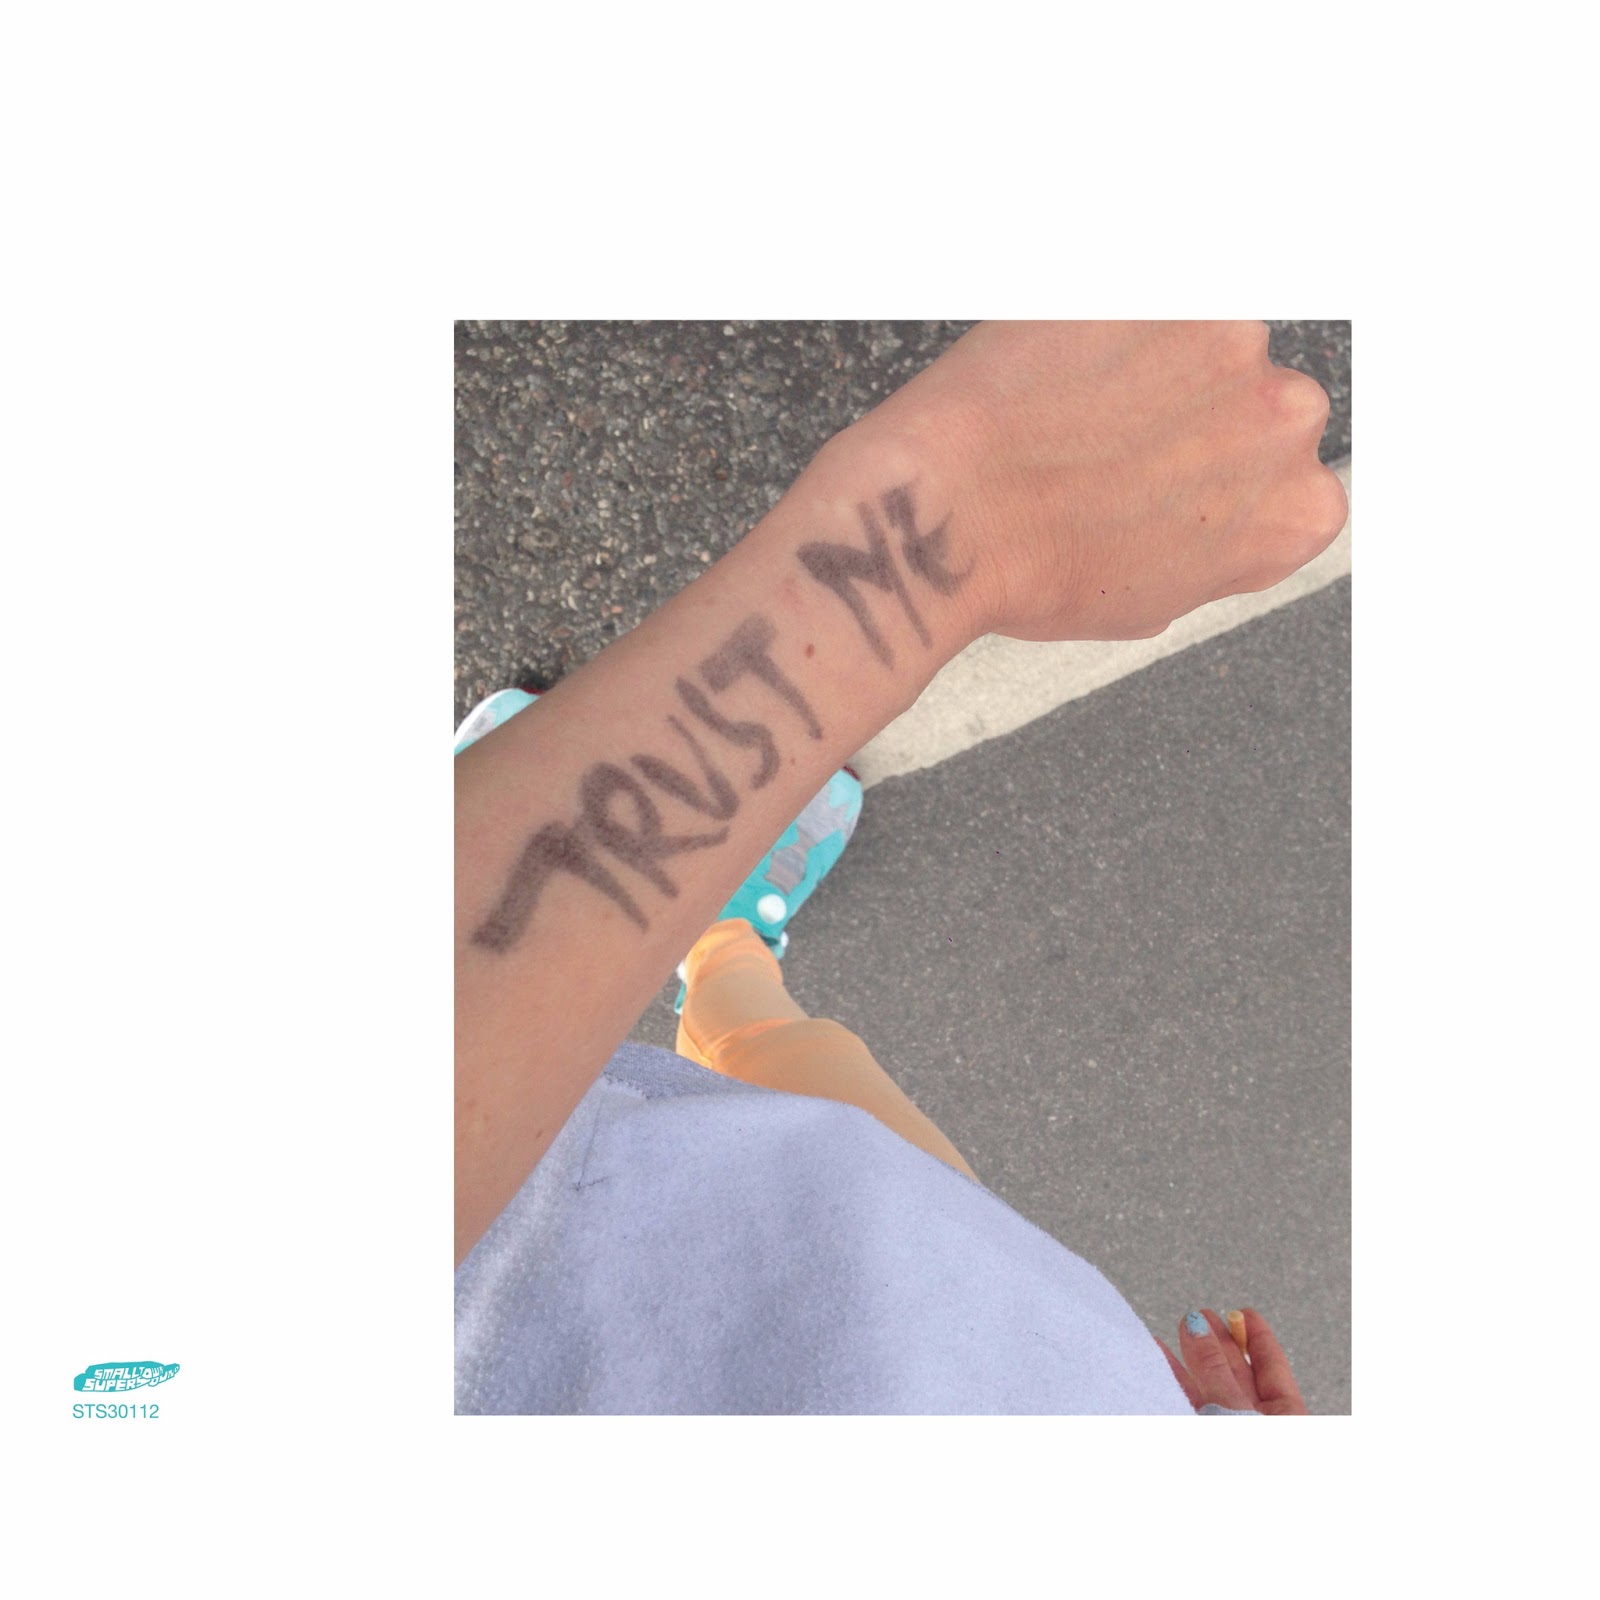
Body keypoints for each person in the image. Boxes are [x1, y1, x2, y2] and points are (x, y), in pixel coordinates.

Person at [454, 321, 1345, 1414]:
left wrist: (964, 507)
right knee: (781, 1053)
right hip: (976, 1331)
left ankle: (525, 843)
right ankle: (717, 936)